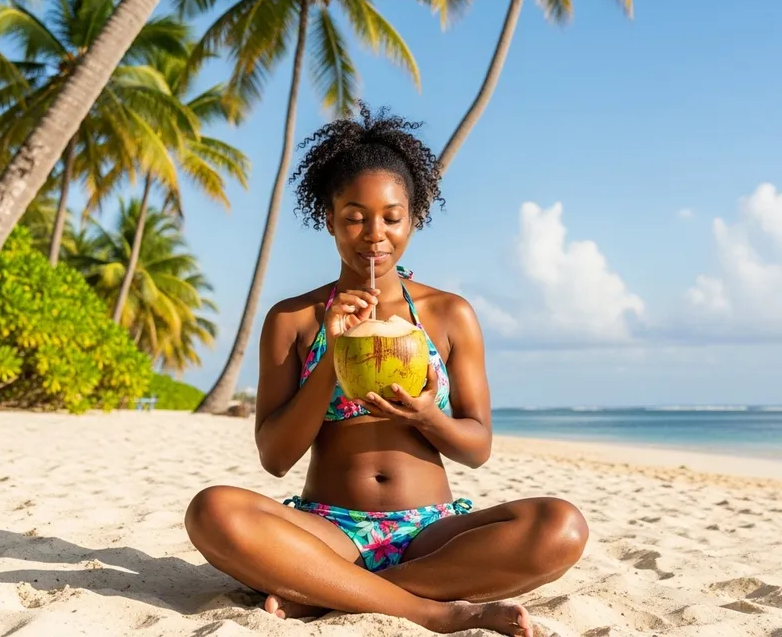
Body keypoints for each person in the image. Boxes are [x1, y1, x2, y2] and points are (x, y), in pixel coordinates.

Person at [185, 106, 588, 636]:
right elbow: (276, 458)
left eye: (391, 217)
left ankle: (332, 589)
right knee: (211, 510)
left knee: (561, 527)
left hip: (431, 533)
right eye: (354, 216)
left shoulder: (449, 315)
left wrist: (428, 417)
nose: (374, 234)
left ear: (413, 218)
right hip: (327, 530)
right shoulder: (293, 320)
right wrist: (332, 355)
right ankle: (426, 609)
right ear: (328, 218)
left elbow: (477, 446)